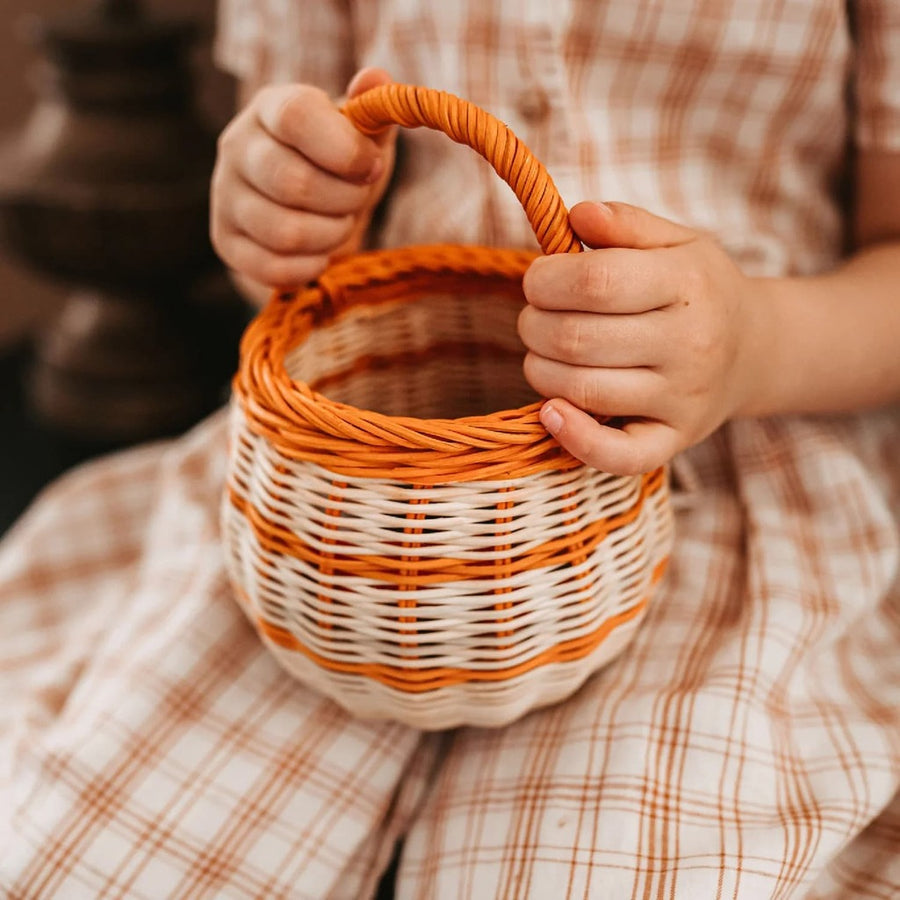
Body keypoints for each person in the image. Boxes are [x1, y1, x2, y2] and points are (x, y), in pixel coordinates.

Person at [1, 2, 899, 897]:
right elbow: (288, 249)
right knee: (88, 852)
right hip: (341, 496)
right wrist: (276, 211)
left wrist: (751, 345)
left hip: (716, 463)